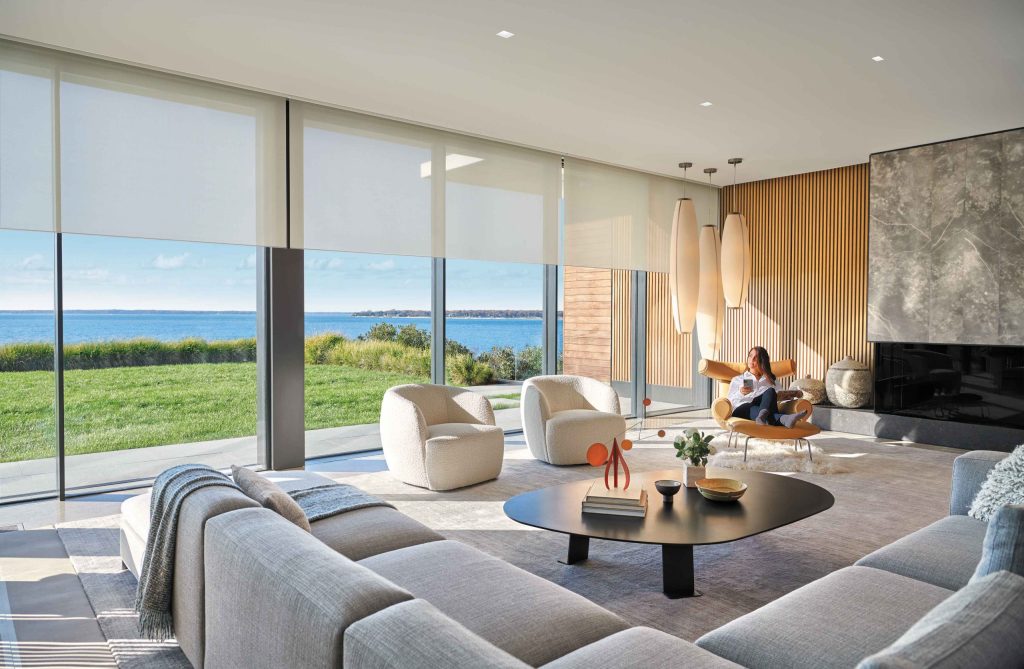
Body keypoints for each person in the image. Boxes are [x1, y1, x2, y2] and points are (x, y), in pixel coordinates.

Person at [728, 346, 809, 427]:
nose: (752, 359)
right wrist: (740, 393)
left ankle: (764, 417)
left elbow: (779, 400)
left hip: (766, 408)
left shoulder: (772, 380)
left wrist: (791, 395)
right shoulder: (738, 379)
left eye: (756, 357)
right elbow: (730, 401)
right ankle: (783, 418)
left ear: (762, 361)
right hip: (743, 409)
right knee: (749, 406)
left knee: (770, 391)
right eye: (750, 356)